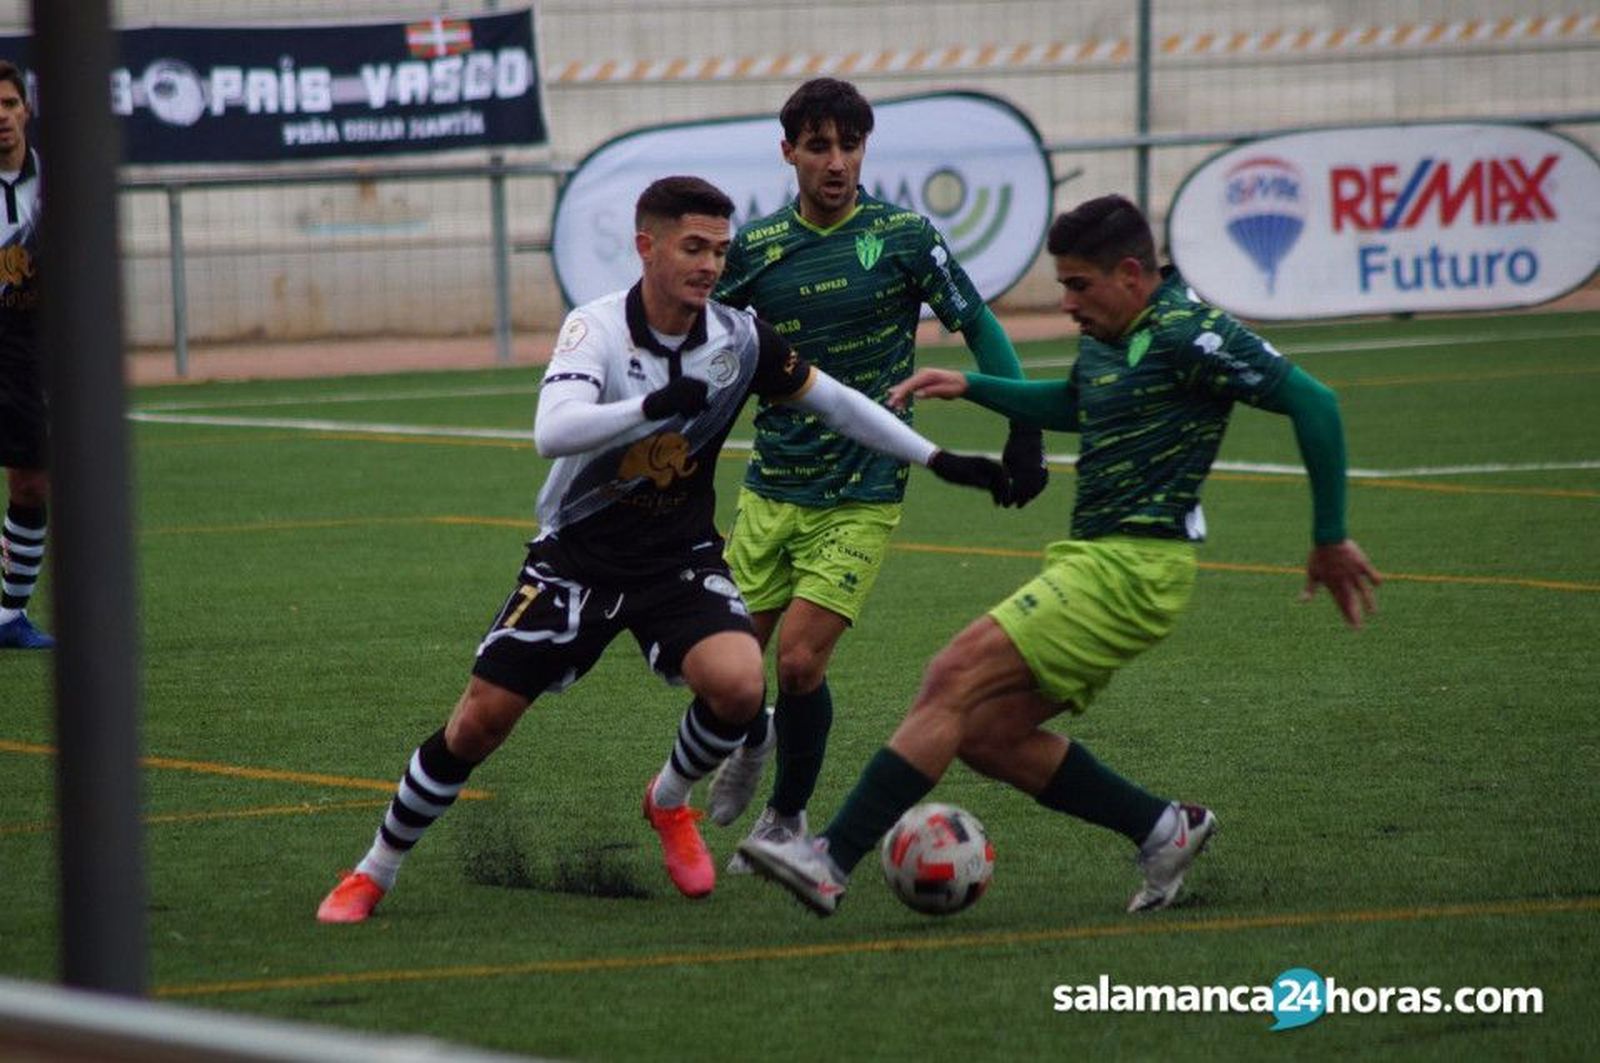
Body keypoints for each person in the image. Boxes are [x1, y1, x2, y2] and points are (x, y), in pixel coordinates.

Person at [316, 175, 1012, 922]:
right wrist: (646, 408)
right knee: (479, 722)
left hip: (675, 558)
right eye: (693, 247)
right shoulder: (597, 328)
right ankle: (374, 868)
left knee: (742, 683)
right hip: (575, 558)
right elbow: (553, 429)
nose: (710, 264)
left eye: (719, 249)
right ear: (646, 246)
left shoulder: (739, 338)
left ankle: (669, 799)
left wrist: (937, 458)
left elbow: (835, 401)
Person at [739, 193, 1382, 916]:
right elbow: (1081, 403)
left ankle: (828, 858)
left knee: (951, 674)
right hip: (1097, 559)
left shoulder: (1190, 330)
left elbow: (1316, 403)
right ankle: (1164, 827)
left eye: (1078, 285)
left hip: (1134, 569)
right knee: (985, 732)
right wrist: (976, 386)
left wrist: (1329, 535)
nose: (1067, 303)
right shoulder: (1115, 330)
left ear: (1131, 272)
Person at [705, 78, 1049, 868]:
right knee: (724, 673)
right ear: (787, 150)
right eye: (819, 146)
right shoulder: (753, 251)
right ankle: (752, 741)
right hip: (771, 487)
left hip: (864, 490)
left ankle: (785, 818)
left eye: (850, 145)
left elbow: (978, 324)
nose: (836, 162)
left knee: (796, 661)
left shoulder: (903, 236)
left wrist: (1023, 427)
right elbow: (699, 348)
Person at [0, 61, 52, 651]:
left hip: (30, 347)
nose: (3, 117)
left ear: (26, 110)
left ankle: (9, 614)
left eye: (10, 104)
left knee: (32, 481)